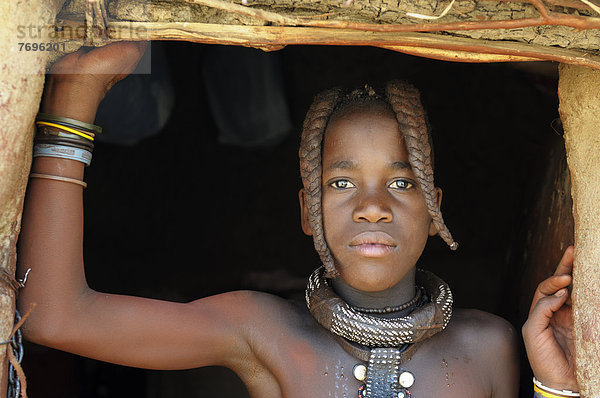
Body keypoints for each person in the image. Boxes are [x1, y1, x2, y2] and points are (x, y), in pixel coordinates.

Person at [17, 42, 578, 397]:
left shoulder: (493, 346)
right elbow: (57, 318)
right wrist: (74, 97)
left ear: (435, 209)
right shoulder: (265, 333)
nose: (373, 204)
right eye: (341, 183)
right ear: (308, 212)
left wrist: (556, 388)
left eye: (402, 182)